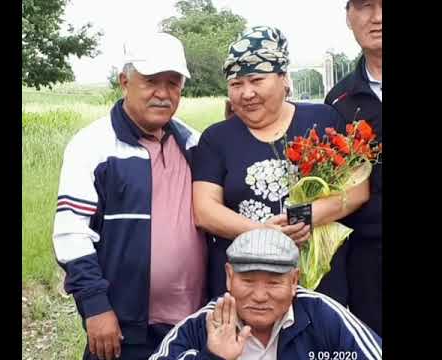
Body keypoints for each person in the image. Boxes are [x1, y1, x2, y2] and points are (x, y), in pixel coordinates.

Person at [52, 32, 207, 360]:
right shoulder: (92, 146)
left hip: (191, 324)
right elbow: (71, 235)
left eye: (173, 82)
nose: (163, 94)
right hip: (123, 329)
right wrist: (95, 308)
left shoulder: (194, 144)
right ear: (125, 81)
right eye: (151, 81)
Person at [192, 25, 370, 298]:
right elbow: (205, 210)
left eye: (256, 80)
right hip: (246, 285)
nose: (246, 93)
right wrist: (264, 232)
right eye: (236, 84)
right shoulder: (216, 138)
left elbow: (357, 191)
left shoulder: (324, 120)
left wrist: (302, 220)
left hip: (317, 281)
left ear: (283, 78)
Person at [149, 228, 382, 360]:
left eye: (273, 282)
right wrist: (212, 357)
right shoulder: (201, 327)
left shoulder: (323, 316)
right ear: (229, 277)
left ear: (294, 281)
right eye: (248, 281)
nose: (260, 296)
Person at [322, 0, 382, 336]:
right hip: (366, 265)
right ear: (348, 16)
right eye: (365, 6)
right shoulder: (339, 101)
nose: (377, 18)